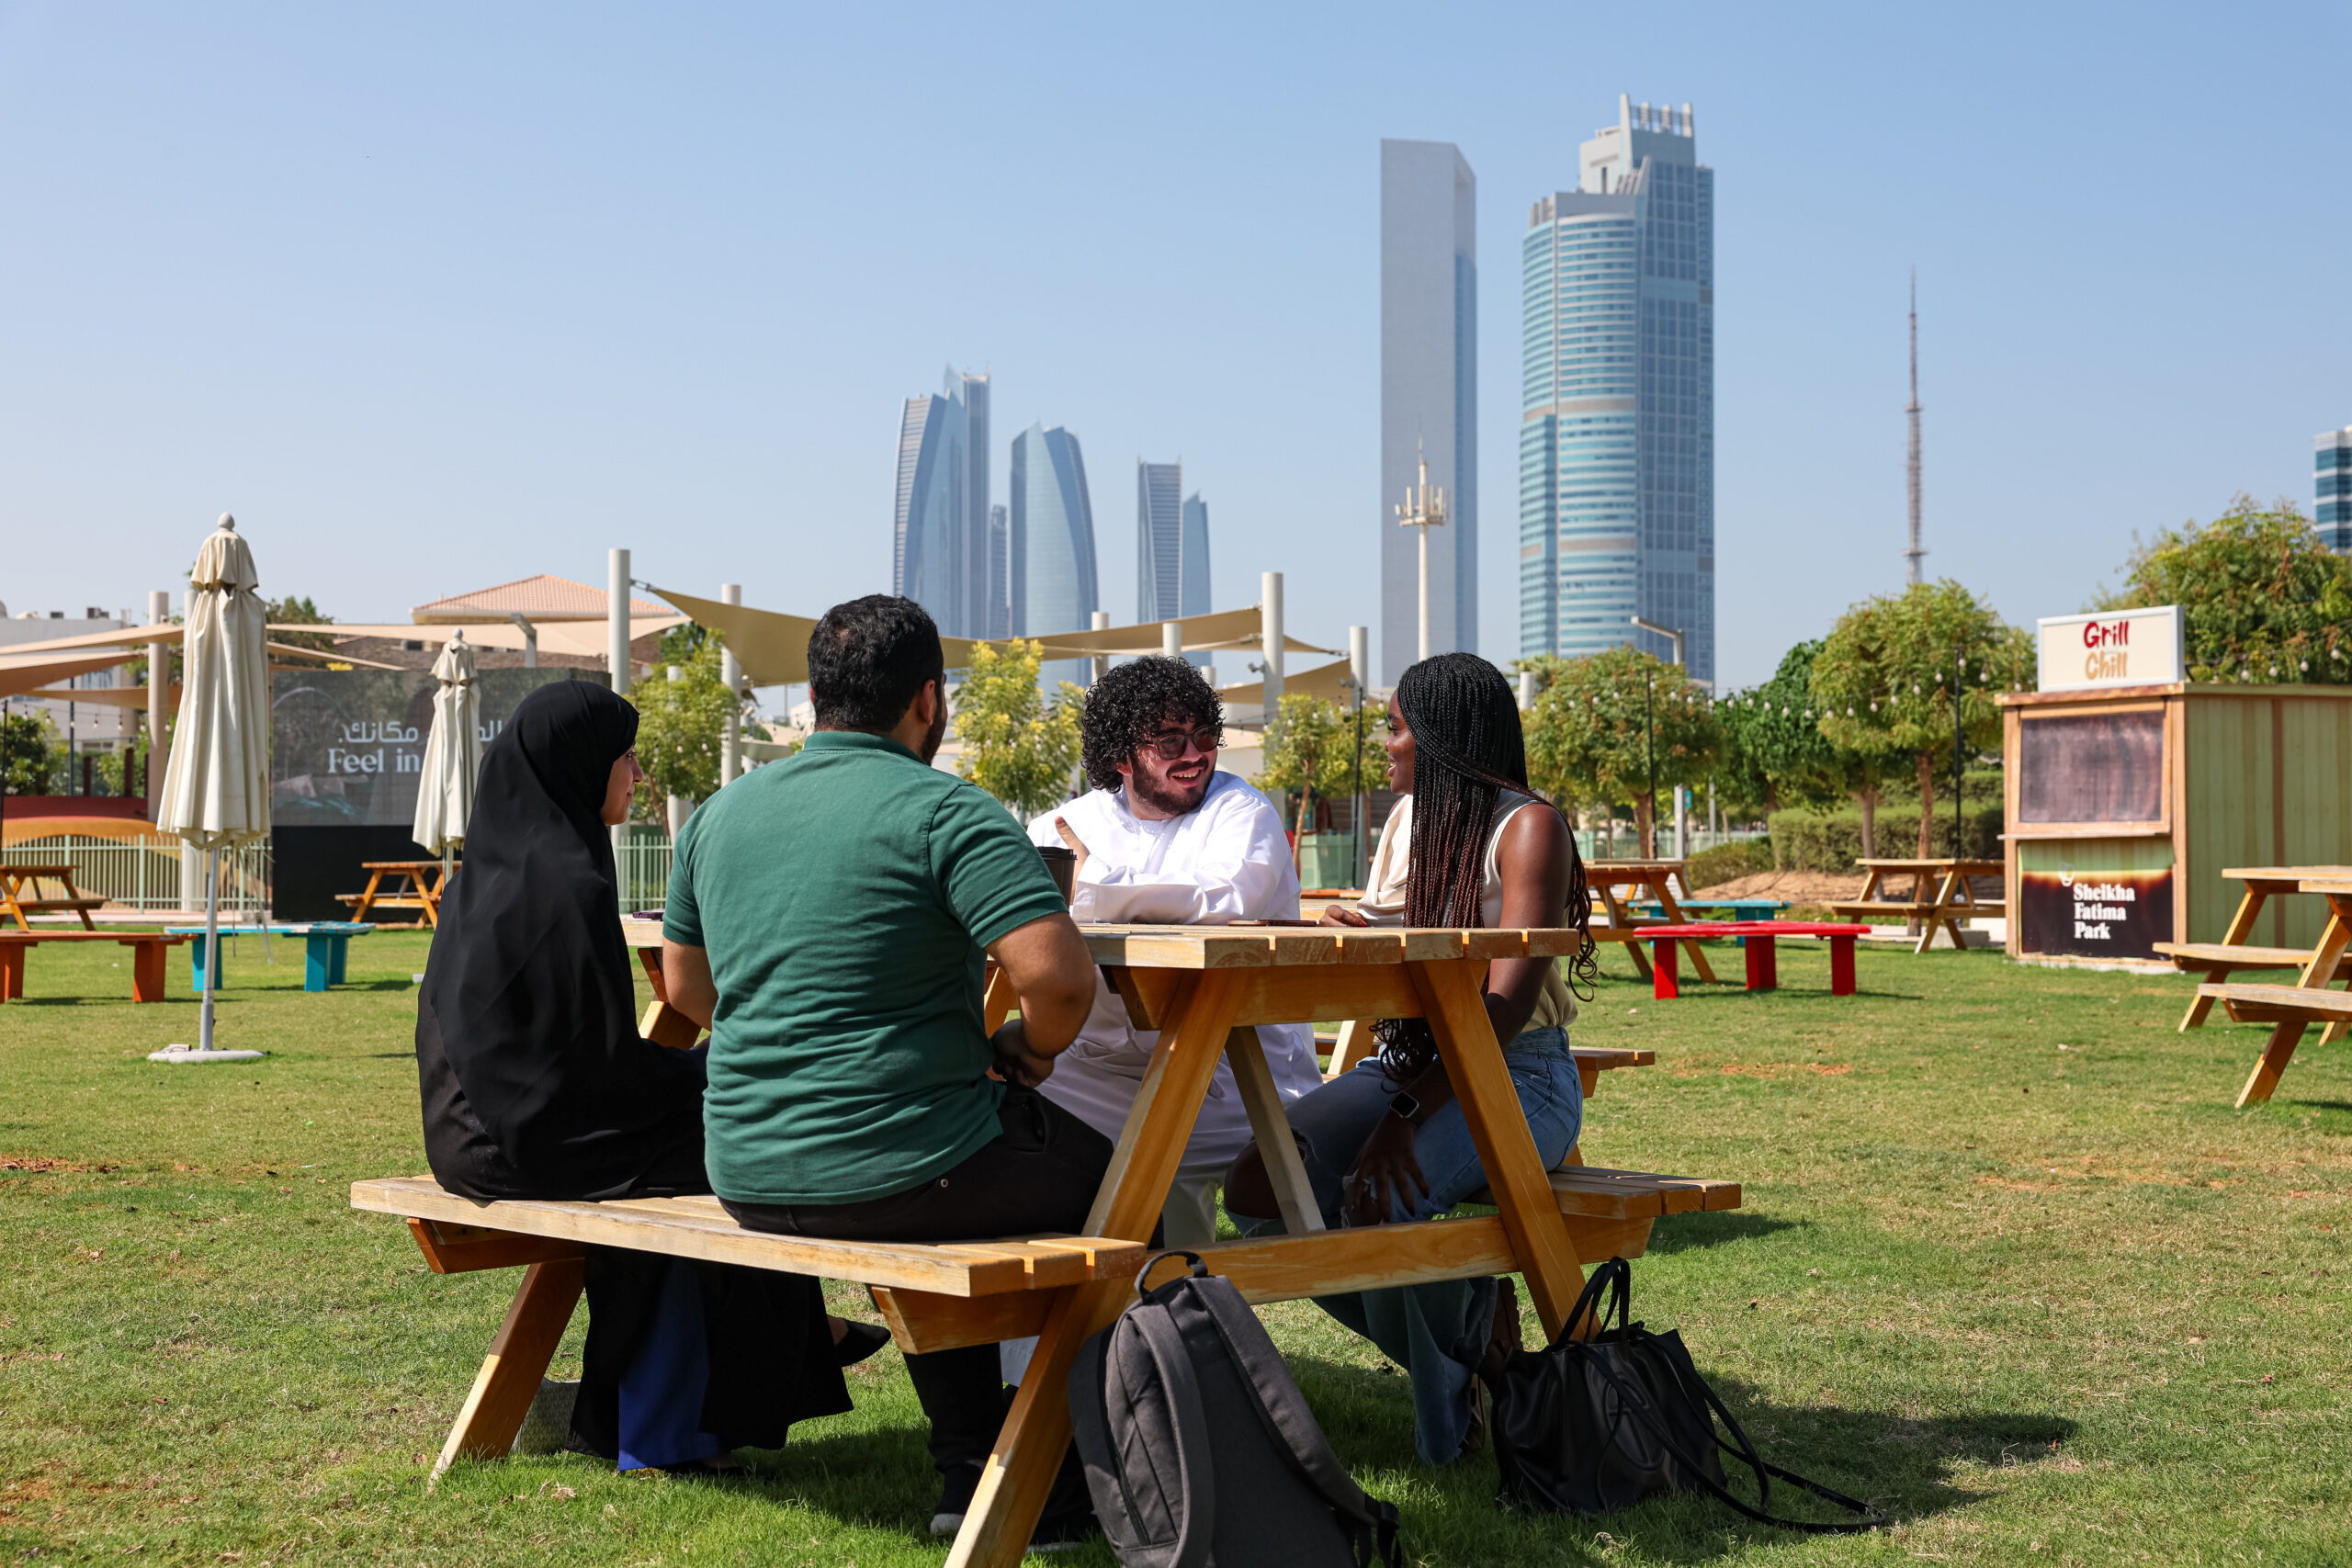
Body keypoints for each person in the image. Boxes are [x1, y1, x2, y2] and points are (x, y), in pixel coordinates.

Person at [660, 595, 1107, 1541]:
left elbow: (688, 995)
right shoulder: (945, 810)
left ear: (816, 698)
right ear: (928, 701)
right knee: (1121, 1185)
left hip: (746, 1168)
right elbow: (1061, 985)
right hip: (901, 1164)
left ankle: (965, 1473)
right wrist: (1022, 1053)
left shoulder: (718, 815)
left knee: (935, 1184)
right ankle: (1058, 1488)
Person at [415, 679, 865, 1474]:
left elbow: (575, 1058)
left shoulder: (501, 865)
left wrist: (693, 1072)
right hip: (523, 1141)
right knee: (741, 1139)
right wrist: (708, 1073)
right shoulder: (569, 883)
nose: (636, 775)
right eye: (625, 757)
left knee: (714, 1109)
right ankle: (732, 1383)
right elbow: (599, 1076)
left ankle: (684, 1402)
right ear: (581, 765)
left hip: (469, 1127)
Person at [1224, 651, 1597, 1465]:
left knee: (1380, 1196)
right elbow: (1388, 936)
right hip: (1411, 1061)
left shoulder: (1528, 828)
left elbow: (1496, 1015)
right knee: (1257, 1186)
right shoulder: (1408, 822)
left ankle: (1449, 1433)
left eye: (1395, 727)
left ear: (1441, 736)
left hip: (1516, 1074)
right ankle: (1471, 1323)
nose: (1384, 743)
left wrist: (1398, 1119)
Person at [1023, 656, 1324, 1247]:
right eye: (1168, 740)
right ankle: (1072, 1327)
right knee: (1004, 1119)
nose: (1194, 755)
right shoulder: (1063, 824)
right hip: (1095, 1067)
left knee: (1157, 1157)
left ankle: (1178, 1319)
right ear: (1120, 757)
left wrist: (1092, 886)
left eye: (1204, 736)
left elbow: (1222, 898)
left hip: (1234, 1074)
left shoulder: (1242, 812)